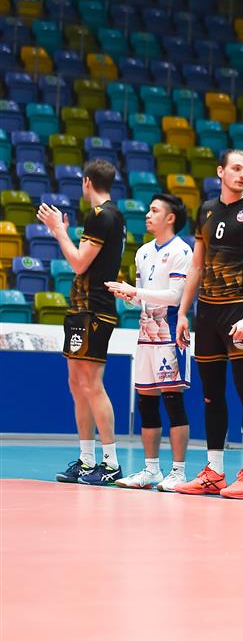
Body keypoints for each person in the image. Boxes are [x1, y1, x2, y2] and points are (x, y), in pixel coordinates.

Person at [174, 149, 243, 498]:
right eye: (236, 168)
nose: (242, 174)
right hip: (208, 314)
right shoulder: (206, 210)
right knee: (212, 394)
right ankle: (214, 471)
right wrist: (183, 312)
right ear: (220, 171)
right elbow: (197, 266)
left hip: (238, 313)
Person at [42, 159, 126, 485]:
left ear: (87, 182)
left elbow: (79, 263)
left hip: (95, 309)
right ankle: (87, 459)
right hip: (81, 309)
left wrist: (58, 231)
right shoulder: (108, 216)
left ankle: (111, 462)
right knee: (77, 384)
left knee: (92, 385)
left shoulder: (103, 215)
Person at [107, 194, 193, 490]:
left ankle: (178, 472)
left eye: (154, 210)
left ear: (170, 218)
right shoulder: (143, 252)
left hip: (170, 335)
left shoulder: (182, 250)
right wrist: (129, 297)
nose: (147, 214)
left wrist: (137, 292)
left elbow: (175, 296)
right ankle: (151, 470)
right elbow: (141, 297)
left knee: (173, 402)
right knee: (146, 402)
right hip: (145, 335)